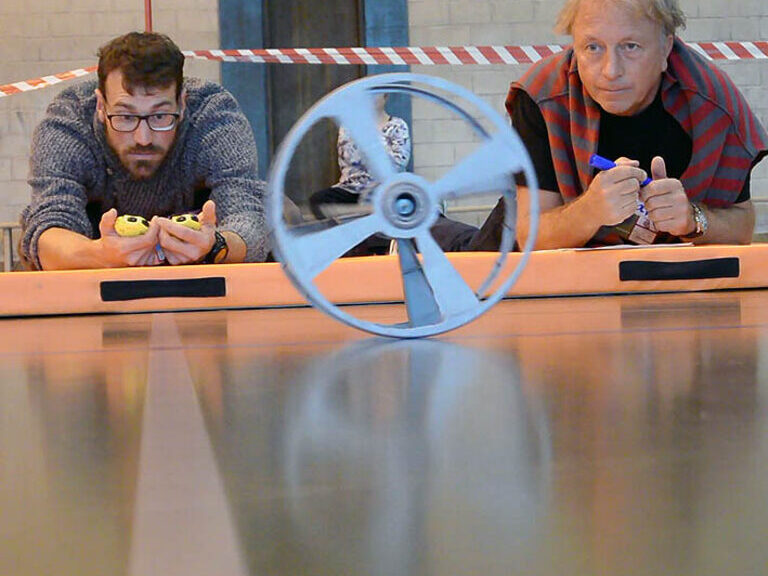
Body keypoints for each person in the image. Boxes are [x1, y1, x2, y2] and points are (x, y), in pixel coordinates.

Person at [478, 0, 768, 250]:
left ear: (666, 48)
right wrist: (589, 212)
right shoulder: (542, 95)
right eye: (592, 47)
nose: (611, 71)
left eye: (631, 47)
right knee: (459, 251)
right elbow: (529, 235)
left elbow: (742, 225)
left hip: (656, 277)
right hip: (512, 248)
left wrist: (693, 220)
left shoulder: (713, 103)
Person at [19, 31, 268, 270]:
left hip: (204, 257)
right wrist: (100, 254)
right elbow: (47, 230)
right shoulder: (69, 122)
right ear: (100, 105)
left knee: (275, 212)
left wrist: (216, 247)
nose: (143, 139)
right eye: (125, 117)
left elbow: (247, 218)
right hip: (93, 253)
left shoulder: (214, 115)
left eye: (160, 116)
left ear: (182, 104)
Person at [309, 93, 411, 220]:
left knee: (406, 200)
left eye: (374, 95)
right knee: (318, 200)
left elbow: (399, 163)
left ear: (385, 96)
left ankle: (365, 212)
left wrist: (368, 147)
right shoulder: (348, 126)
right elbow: (348, 158)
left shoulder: (398, 125)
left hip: (385, 190)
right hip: (352, 189)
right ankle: (369, 211)